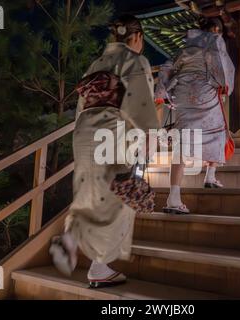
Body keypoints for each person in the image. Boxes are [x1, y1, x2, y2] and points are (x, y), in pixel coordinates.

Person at [52, 15, 159, 288]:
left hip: (84, 133)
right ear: (137, 37)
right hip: (113, 133)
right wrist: (148, 145)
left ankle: (70, 239)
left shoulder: (96, 63)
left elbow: (81, 107)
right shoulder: (135, 61)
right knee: (117, 198)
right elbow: (142, 111)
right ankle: (99, 267)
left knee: (89, 194)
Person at [159, 17, 235, 215]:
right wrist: (225, 86)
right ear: (216, 29)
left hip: (184, 93)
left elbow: (167, 67)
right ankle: (210, 176)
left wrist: (164, 93)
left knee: (182, 142)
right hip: (204, 91)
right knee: (218, 131)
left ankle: (173, 197)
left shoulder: (186, 46)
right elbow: (223, 70)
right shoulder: (215, 41)